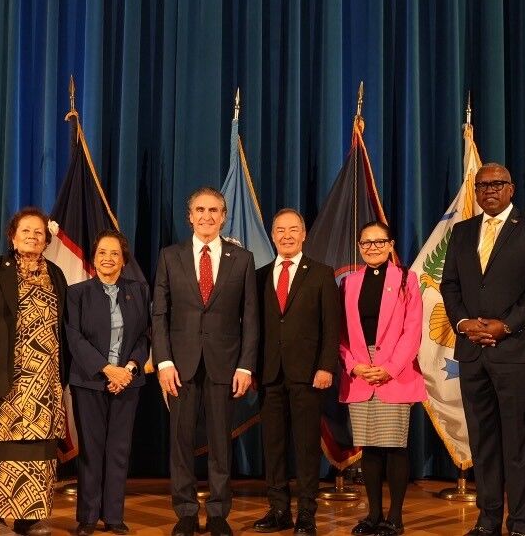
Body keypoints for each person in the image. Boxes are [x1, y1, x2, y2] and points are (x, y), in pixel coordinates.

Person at [440, 163, 525, 536]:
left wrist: (506, 325)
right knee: (483, 439)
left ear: (512, 188)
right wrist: (463, 324)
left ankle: (519, 522)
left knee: (518, 442)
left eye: (497, 184)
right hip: (472, 350)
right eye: (483, 185)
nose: (489, 189)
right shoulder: (461, 231)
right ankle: (487, 519)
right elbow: (450, 286)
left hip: (515, 350)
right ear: (475, 191)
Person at [152, 186, 259, 536]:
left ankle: (217, 512)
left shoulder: (241, 259)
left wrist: (245, 365)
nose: (207, 216)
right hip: (179, 366)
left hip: (225, 365)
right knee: (180, 441)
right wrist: (164, 362)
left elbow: (251, 316)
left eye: (214, 210)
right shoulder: (170, 256)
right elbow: (160, 315)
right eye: (200, 210)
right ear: (190, 216)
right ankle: (184, 511)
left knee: (219, 441)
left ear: (224, 216)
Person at [0, 207, 69, 536]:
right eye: (26, 231)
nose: (33, 237)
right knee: (2, 447)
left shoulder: (56, 273)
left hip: (45, 378)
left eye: (39, 232)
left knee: (39, 449)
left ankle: (32, 516)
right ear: (12, 236)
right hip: (4, 374)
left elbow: (64, 326)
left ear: (46, 239)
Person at [252, 209, 339, 535]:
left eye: (293, 230)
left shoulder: (320, 273)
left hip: (308, 376)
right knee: (273, 447)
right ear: (273, 236)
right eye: (280, 230)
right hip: (270, 375)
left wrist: (325, 366)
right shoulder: (259, 276)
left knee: (305, 447)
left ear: (303, 234)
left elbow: (331, 327)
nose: (286, 235)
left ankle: (306, 514)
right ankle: (277, 510)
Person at [339, 222, 424, 536]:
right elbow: (339, 334)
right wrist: (354, 365)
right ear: (360, 246)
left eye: (379, 242)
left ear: (390, 245)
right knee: (370, 449)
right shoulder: (349, 282)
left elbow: (412, 330)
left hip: (394, 372)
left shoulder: (406, 279)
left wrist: (389, 367)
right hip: (361, 372)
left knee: (394, 447)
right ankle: (373, 515)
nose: (372, 247)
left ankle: (395, 518)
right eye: (366, 243)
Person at [66, 230, 150, 536]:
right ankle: (88, 516)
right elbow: (74, 338)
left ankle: (114, 515)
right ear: (94, 257)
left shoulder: (139, 290)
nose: (108, 258)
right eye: (102, 252)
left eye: (114, 253)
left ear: (123, 259)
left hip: (128, 380)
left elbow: (144, 335)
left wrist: (127, 369)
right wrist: (106, 370)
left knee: (119, 449)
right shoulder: (77, 293)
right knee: (92, 449)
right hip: (90, 381)